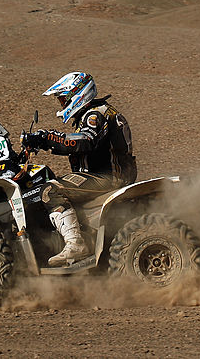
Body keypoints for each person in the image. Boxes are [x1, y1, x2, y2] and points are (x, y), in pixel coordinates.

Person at [24, 71, 137, 266]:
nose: (62, 105)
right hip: (107, 174)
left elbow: (85, 140)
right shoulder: (97, 111)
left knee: (49, 191)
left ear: (77, 94)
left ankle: (75, 244)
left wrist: (47, 138)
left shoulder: (95, 114)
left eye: (63, 99)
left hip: (109, 176)